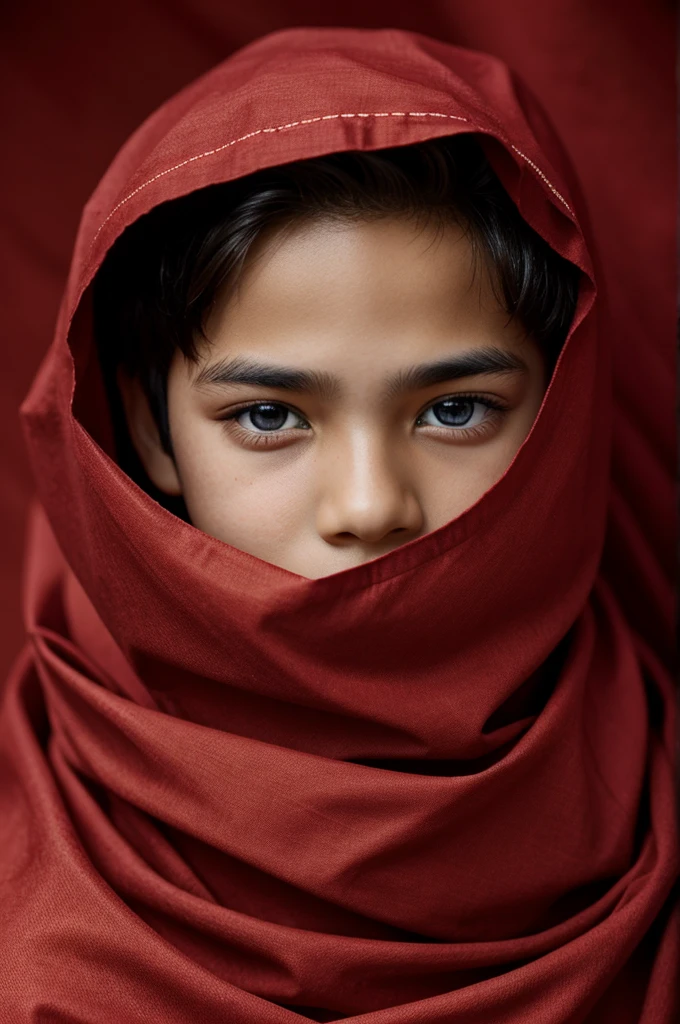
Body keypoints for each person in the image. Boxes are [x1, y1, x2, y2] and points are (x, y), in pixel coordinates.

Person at [0, 26, 677, 1024]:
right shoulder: (35, 917)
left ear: (560, 417)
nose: (367, 506)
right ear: (148, 431)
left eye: (453, 410)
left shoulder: (651, 780)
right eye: (270, 417)